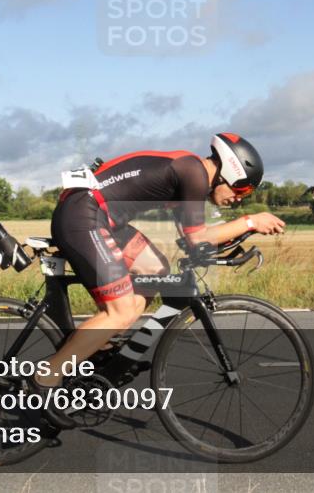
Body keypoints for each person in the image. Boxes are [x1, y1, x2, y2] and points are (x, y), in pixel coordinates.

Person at [26, 133, 285, 426]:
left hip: (100, 216)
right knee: (121, 311)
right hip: (85, 215)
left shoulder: (190, 174)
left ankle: (97, 347)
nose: (239, 199)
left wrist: (237, 236)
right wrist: (250, 222)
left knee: (155, 271)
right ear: (229, 171)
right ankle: (45, 378)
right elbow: (198, 237)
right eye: (242, 189)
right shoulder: (194, 173)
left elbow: (192, 243)